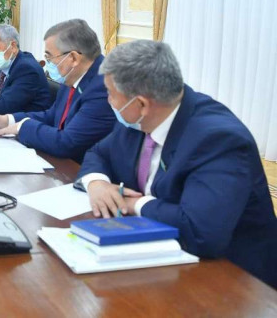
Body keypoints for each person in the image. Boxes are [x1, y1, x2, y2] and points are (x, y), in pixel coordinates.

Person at [78, 40, 277, 288]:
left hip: (233, 279)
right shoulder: (138, 120)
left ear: (141, 104)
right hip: (158, 254)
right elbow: (98, 152)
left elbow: (201, 232)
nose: (108, 100)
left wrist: (134, 204)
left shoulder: (219, 140)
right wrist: (97, 183)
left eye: (110, 94)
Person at [0, 19, 116, 162]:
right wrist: (5, 120)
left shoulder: (103, 87)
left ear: (73, 58)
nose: (48, 65)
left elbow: (67, 142)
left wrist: (22, 127)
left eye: (49, 57)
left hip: (82, 167)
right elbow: (52, 115)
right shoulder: (72, 75)